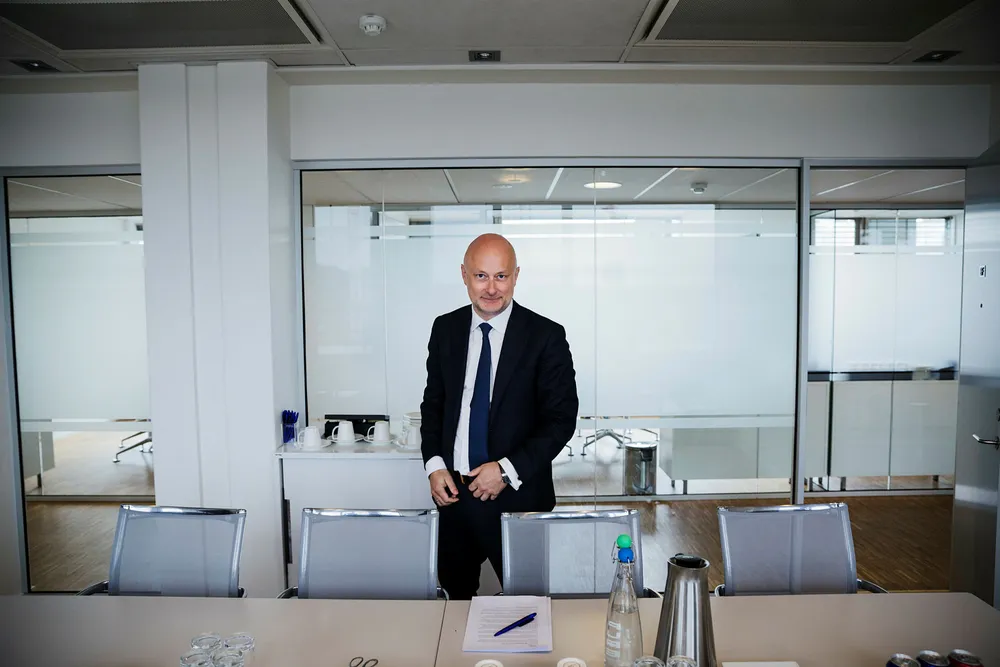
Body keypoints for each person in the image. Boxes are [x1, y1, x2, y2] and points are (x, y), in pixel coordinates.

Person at [420, 233, 579, 599]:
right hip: (454, 497)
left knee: (527, 604)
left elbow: (560, 420)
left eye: (501, 276)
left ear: (516, 276)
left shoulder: (546, 335)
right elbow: (434, 404)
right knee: (453, 605)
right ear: (464, 275)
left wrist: (506, 470)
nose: (491, 288)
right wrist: (434, 465)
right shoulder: (445, 329)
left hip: (518, 500)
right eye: (481, 276)